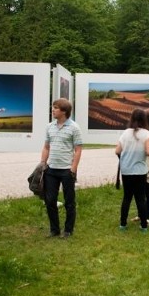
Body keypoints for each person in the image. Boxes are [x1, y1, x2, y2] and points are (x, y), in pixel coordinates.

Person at [41, 98, 83, 238]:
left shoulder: (74, 128)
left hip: (67, 170)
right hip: (51, 169)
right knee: (50, 200)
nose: (52, 110)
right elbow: (46, 146)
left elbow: (78, 149)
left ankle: (68, 230)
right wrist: (43, 163)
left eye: (56, 108)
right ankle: (54, 230)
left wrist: (73, 169)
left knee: (69, 202)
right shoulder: (49, 127)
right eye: (53, 107)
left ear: (64, 111)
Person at [115, 109, 149, 232]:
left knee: (127, 197)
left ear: (131, 118)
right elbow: (148, 152)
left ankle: (122, 224)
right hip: (140, 170)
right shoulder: (147, 134)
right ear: (144, 119)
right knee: (140, 198)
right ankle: (143, 226)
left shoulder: (125, 133)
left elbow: (117, 151)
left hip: (126, 170)